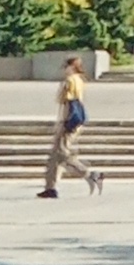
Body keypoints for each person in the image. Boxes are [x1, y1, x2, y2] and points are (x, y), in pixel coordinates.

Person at [40, 56, 93, 199]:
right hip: (74, 121)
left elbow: (68, 104)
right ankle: (50, 187)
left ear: (72, 67)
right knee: (54, 156)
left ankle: (89, 174)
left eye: (66, 67)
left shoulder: (70, 81)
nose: (64, 70)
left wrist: (62, 123)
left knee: (61, 153)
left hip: (68, 122)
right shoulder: (80, 80)